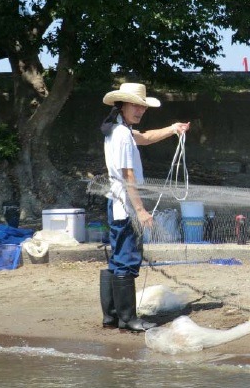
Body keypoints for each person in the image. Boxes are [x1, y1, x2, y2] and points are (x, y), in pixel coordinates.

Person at [99, 82, 190, 332]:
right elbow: (128, 175)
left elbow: (146, 137)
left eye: (142, 107)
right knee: (127, 259)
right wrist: (140, 210)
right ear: (123, 105)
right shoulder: (122, 135)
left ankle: (112, 316)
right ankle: (128, 319)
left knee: (117, 259)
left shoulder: (119, 130)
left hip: (115, 202)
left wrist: (173, 129)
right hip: (125, 205)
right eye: (135, 106)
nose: (140, 111)